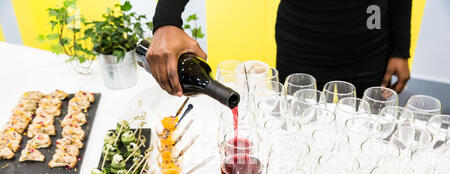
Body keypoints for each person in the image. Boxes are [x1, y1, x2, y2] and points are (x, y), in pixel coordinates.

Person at [147, 0, 411, 98]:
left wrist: (401, 49)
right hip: (301, 40)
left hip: (369, 47)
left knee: (360, 136)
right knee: (296, 126)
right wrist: (167, 20)